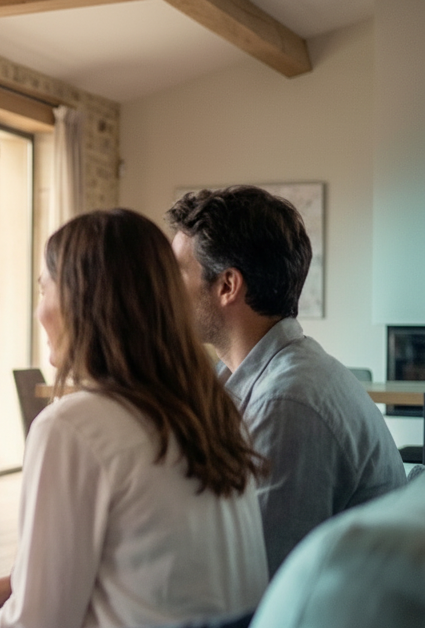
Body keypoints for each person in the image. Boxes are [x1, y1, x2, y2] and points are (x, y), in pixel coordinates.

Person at [0, 209, 269, 628]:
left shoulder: (71, 427)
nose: (38, 312)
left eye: (43, 290)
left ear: (78, 300)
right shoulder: (216, 414)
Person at [166, 186, 405, 574]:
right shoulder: (245, 375)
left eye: (176, 273)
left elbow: (260, 574)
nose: (165, 290)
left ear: (228, 286)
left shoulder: (288, 401)